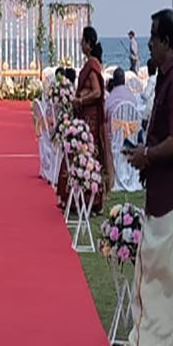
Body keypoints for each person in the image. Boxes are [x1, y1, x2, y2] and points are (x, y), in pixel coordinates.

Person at [111, 9, 173, 346]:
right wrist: (146, 157)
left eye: (152, 38)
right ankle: (142, 345)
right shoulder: (165, 77)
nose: (148, 43)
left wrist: (146, 155)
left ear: (167, 42)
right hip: (161, 192)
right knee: (150, 271)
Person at [56, 26, 112, 210]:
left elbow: (96, 92)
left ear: (88, 44)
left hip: (91, 119)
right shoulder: (91, 63)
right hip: (85, 116)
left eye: (82, 41)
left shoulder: (92, 66)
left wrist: (80, 99)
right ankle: (77, 199)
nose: (80, 44)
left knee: (87, 154)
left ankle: (92, 200)